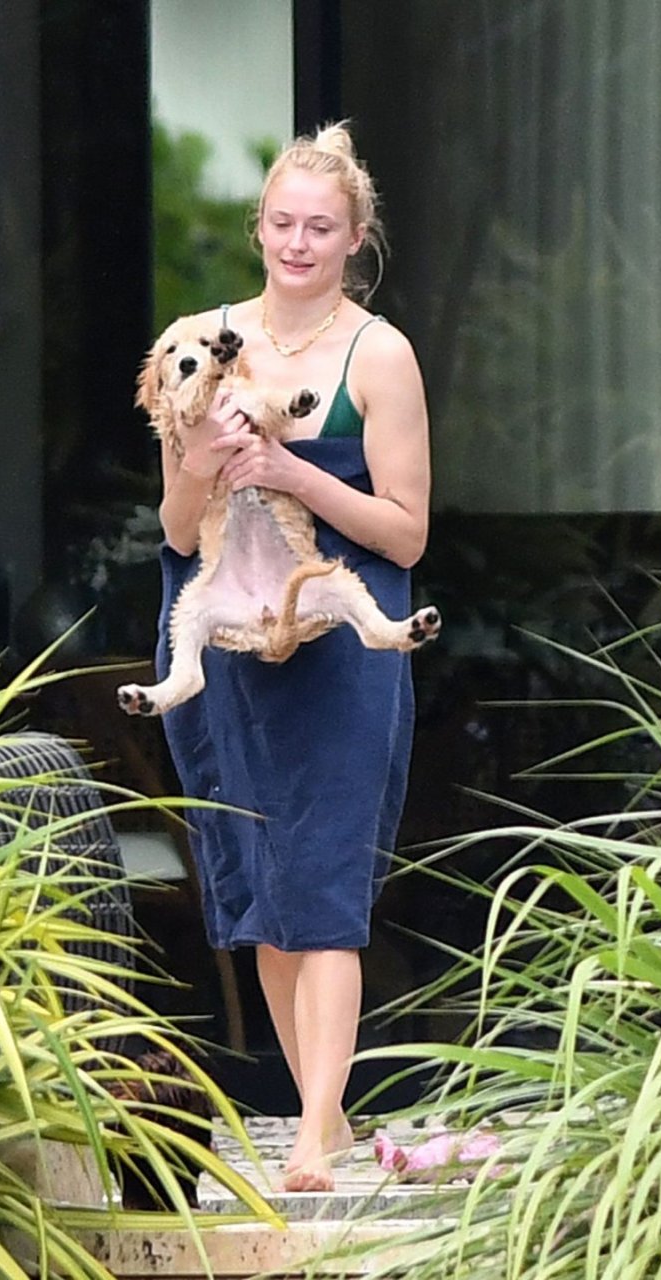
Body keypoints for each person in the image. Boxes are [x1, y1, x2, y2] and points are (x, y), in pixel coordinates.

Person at [153, 121, 431, 1193]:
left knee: (325, 883)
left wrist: (289, 470)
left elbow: (406, 532)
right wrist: (207, 463)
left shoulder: (379, 354)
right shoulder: (201, 340)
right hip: (228, 630)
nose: (298, 243)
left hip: (341, 630)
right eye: (282, 223)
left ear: (355, 237)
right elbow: (176, 528)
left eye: (320, 227)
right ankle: (332, 1113)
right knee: (265, 887)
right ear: (258, 227)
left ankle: (314, 1128)